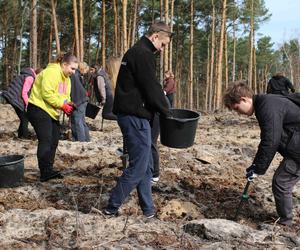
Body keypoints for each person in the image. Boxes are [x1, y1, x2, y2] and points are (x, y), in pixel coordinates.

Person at [103, 21, 172, 218]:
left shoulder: (137, 52)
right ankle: (111, 207)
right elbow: (151, 87)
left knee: (146, 165)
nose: (163, 49)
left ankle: (148, 210)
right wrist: (167, 111)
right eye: (164, 44)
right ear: (156, 36)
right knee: (139, 166)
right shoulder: (142, 54)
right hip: (134, 117)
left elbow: (147, 87)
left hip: (134, 115)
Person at [223, 81, 300, 227]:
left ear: (244, 99)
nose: (239, 113)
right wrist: (256, 165)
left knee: (281, 182)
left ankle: (286, 223)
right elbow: (269, 138)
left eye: (237, 108)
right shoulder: (266, 103)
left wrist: (258, 168)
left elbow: (271, 140)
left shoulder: (266, 106)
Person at [27, 53, 78, 182]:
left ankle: (49, 169)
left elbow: (65, 96)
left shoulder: (67, 79)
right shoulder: (51, 72)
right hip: (38, 108)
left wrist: (68, 104)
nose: (74, 72)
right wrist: (62, 105)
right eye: (72, 68)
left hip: (51, 111)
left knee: (55, 139)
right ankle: (44, 172)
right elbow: (47, 93)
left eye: (75, 69)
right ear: (64, 64)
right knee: (46, 139)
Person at [2, 68, 40, 139]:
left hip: (12, 96)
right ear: (37, 74)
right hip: (14, 98)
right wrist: (27, 105)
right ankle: (24, 137)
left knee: (23, 118)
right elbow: (24, 93)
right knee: (25, 118)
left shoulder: (26, 75)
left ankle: (20, 135)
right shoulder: (30, 78)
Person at [70, 62, 90, 142]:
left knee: (77, 121)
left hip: (78, 100)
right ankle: (86, 140)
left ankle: (80, 141)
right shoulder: (77, 75)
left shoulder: (74, 75)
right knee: (81, 121)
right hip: (82, 99)